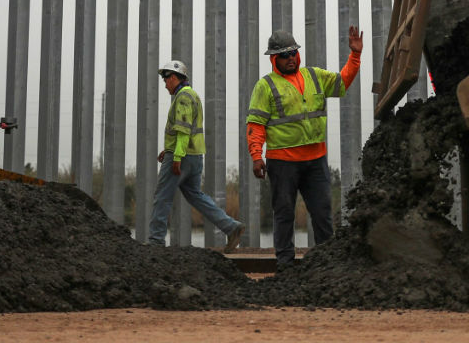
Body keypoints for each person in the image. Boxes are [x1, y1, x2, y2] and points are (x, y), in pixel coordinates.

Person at [247, 26, 364, 269]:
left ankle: (327, 264)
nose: (290, 58)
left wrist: (355, 56)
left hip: (315, 161)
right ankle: (286, 265)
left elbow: (342, 83)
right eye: (284, 55)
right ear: (274, 59)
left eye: (293, 53)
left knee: (322, 214)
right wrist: (256, 155)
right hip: (282, 163)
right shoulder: (265, 86)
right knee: (284, 214)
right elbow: (256, 124)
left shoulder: (314, 76)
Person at [148, 58, 245, 252]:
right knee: (196, 196)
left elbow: (183, 130)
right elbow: (186, 130)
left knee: (162, 196)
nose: (165, 83)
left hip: (182, 158)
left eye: (166, 79)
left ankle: (156, 242)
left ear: (175, 77)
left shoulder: (183, 97)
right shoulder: (192, 95)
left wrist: (176, 156)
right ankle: (231, 226)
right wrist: (168, 149)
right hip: (194, 157)